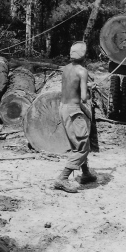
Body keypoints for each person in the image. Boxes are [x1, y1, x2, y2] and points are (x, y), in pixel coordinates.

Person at [54, 41, 99, 193]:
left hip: (63, 108)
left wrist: (85, 86)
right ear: (84, 56)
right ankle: (63, 178)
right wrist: (89, 88)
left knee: (78, 141)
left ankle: (85, 173)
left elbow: (72, 88)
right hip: (74, 110)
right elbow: (84, 98)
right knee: (82, 145)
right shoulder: (82, 71)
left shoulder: (65, 69)